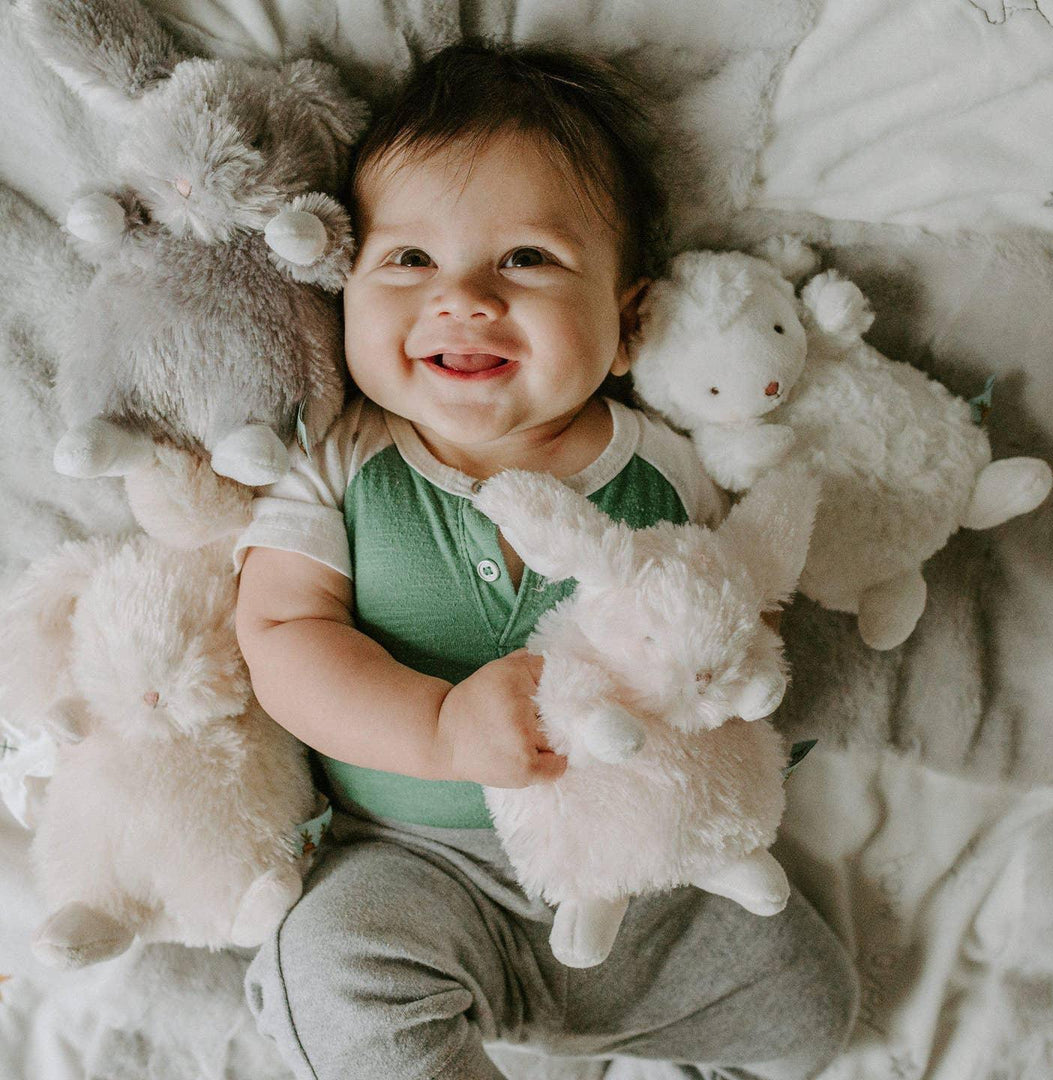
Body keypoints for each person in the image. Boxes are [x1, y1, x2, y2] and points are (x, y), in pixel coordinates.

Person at [233, 40, 858, 1080]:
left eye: (526, 258)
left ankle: (638, 1036)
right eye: (409, 260)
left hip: (648, 878)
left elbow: (740, 609)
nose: (465, 296)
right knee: (331, 972)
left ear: (626, 327)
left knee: (808, 1007)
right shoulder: (338, 468)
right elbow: (281, 637)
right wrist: (435, 730)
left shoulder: (668, 472)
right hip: (418, 869)